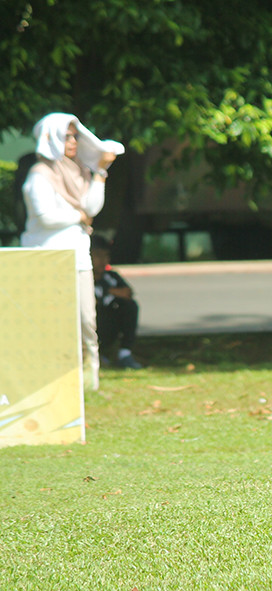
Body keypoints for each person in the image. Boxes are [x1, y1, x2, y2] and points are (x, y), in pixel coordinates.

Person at [20, 112, 123, 390]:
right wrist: (78, 217)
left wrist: (101, 171)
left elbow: (91, 208)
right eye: (66, 136)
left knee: (87, 319)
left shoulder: (79, 171)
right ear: (51, 138)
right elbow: (45, 217)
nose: (73, 142)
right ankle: (53, 381)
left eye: (75, 136)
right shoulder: (39, 175)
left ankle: (89, 380)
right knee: (51, 320)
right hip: (47, 257)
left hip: (78, 256)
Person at [90, 235, 143, 369]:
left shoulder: (111, 277)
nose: (103, 261)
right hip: (94, 324)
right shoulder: (83, 278)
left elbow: (127, 293)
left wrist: (108, 290)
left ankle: (124, 353)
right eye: (98, 256)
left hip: (110, 325)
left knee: (130, 306)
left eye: (106, 256)